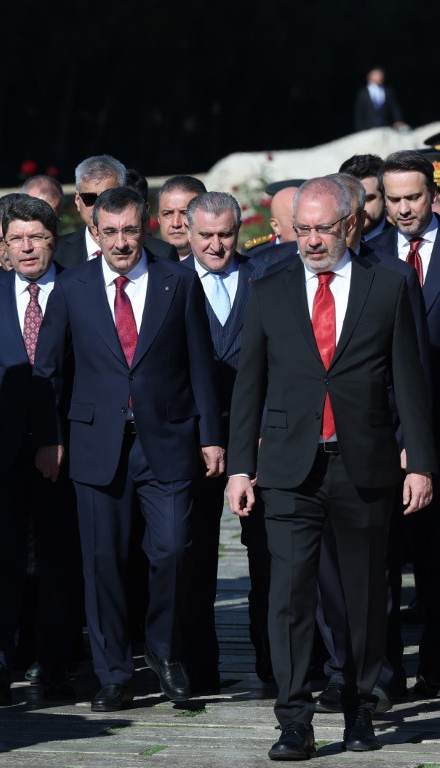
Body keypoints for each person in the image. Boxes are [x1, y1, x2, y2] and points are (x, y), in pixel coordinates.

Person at [226, 176, 435, 759]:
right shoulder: (269, 288)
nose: (312, 240)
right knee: (289, 596)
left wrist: (420, 462)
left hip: (364, 465)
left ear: (350, 224)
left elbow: (410, 382)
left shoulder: (388, 285)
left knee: (367, 595)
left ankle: (361, 706)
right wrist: (240, 466)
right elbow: (249, 385)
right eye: (303, 229)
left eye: (322, 228)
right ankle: (293, 719)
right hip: (288, 469)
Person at [39, 186, 224, 712]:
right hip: (96, 445)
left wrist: (211, 435)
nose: (121, 242)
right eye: (110, 232)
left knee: (173, 549)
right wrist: (50, 438)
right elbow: (49, 372)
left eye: (129, 230)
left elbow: (201, 363)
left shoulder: (178, 281)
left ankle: (163, 651)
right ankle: (114, 674)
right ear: (94, 233)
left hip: (168, 438)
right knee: (103, 562)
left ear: (145, 228)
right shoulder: (71, 287)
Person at [0, 195, 79, 703]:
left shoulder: (78, 289)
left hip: (64, 449)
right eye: (17, 239)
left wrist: (58, 437)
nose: (27, 247)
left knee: (58, 558)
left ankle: (53, 660)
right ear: (3, 245)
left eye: (36, 237)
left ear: (54, 239)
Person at [179, 191, 269, 690]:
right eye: (206, 235)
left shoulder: (265, 278)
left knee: (268, 551)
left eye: (226, 234)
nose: (216, 245)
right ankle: (200, 667)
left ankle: (274, 663)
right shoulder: (167, 282)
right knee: (193, 553)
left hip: (259, 437)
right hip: (191, 439)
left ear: (240, 231)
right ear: (188, 233)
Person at [369, 149, 440, 699]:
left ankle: (435, 668)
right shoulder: (369, 257)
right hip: (385, 435)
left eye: (412, 197)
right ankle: (385, 676)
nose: (402, 209)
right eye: (393, 199)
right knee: (383, 560)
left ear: (433, 195)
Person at [56, 155, 177, 268]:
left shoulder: (161, 253)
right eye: (90, 198)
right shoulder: (56, 252)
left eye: (108, 197)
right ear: (78, 201)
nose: (98, 206)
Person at [339, 155, 389, 240]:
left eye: (367, 199)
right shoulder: (330, 243)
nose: (358, 207)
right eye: (350, 199)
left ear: (385, 199)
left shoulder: (404, 243)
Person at [157, 176, 207, 261]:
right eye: (168, 214)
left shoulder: (223, 265)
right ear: (159, 219)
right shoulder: (144, 264)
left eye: (185, 213)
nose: (176, 223)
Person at [354, 67, 406, 132]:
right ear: (369, 76)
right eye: (376, 74)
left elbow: (395, 108)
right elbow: (359, 113)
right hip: (368, 129)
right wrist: (360, 130)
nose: (379, 77)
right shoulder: (362, 93)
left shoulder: (388, 91)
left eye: (381, 74)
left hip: (386, 127)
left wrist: (398, 120)